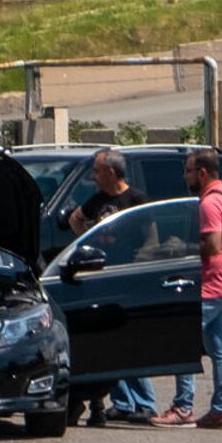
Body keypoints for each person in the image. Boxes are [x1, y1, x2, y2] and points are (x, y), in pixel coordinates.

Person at [62, 151, 151, 426]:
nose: (93, 176)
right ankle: (121, 402)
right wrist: (89, 241)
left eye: (97, 171)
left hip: (127, 276)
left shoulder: (135, 200)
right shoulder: (98, 200)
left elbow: (151, 238)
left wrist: (136, 261)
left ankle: (145, 403)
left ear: (111, 173)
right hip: (102, 275)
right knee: (108, 341)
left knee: (131, 340)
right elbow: (75, 219)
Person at [154, 150, 222, 430]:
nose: (185, 176)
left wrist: (183, 248)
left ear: (202, 172)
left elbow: (213, 245)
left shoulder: (210, 203)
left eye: (188, 171)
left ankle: (183, 406)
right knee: (219, 349)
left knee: (182, 341)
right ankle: (220, 409)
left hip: (210, 283)